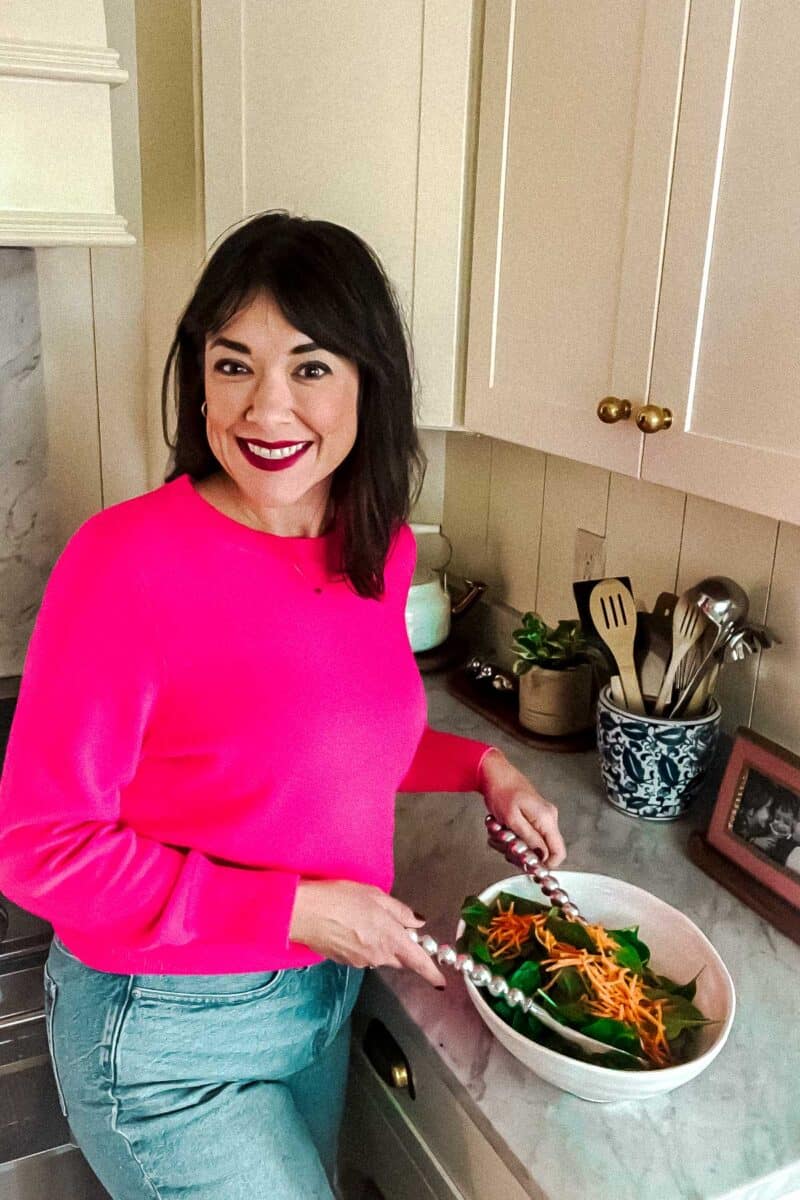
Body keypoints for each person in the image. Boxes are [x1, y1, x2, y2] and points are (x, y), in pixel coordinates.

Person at [0, 211, 565, 1200]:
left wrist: (481, 764)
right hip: (167, 1033)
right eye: (233, 365)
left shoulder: (372, 546)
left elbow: (327, 740)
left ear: (366, 383)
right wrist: (296, 908)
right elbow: (38, 845)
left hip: (316, 995)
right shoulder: (125, 562)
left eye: (309, 367)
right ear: (197, 378)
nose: (266, 409)